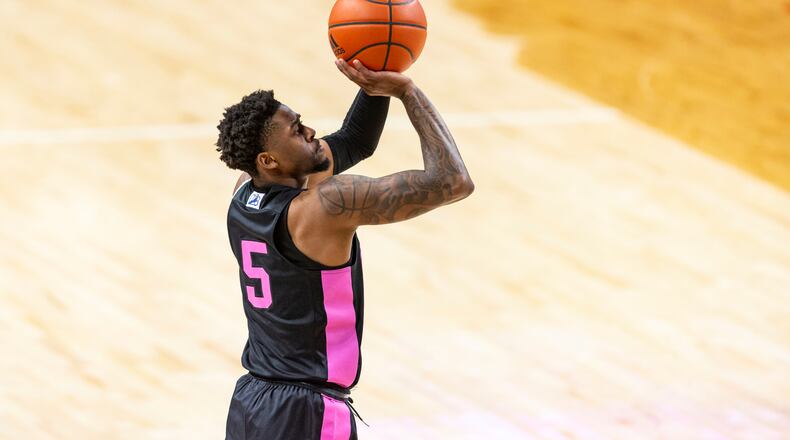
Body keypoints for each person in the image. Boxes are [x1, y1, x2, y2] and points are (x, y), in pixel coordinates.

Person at [216, 58, 474, 440]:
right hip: (306, 409)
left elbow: (356, 139)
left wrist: (376, 79)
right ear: (269, 159)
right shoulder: (326, 207)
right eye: (295, 130)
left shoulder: (244, 190)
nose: (309, 130)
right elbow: (454, 181)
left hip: (252, 402)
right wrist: (407, 91)